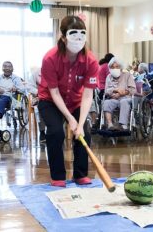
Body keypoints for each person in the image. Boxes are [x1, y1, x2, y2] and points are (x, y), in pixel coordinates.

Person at [38, 15, 99, 187]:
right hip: (50, 100)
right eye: (73, 34)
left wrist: (79, 123)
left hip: (76, 100)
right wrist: (71, 120)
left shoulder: (91, 60)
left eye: (82, 34)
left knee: (84, 133)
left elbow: (88, 95)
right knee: (56, 132)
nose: (78, 39)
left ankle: (80, 174)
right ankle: (58, 176)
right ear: (63, 37)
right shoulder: (50, 58)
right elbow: (54, 92)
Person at [103, 57, 136, 131]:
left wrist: (122, 93)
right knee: (106, 102)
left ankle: (123, 125)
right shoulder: (109, 77)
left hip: (126, 98)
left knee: (123, 101)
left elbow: (133, 90)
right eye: (112, 67)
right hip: (114, 98)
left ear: (121, 67)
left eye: (117, 67)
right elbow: (106, 91)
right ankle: (110, 124)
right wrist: (116, 90)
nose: (114, 69)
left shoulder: (127, 75)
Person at [28, 66, 46, 143]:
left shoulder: (57, 71)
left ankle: (57, 130)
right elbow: (29, 87)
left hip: (54, 98)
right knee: (39, 107)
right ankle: (42, 131)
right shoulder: (35, 73)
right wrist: (39, 93)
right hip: (39, 97)